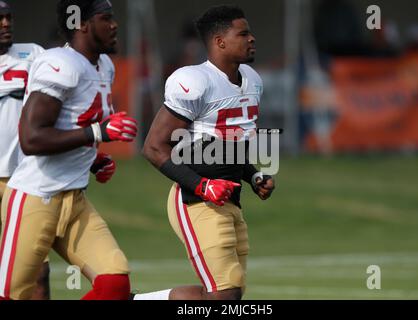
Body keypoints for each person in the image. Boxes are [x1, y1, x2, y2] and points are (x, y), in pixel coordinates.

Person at [0, 0, 138, 300]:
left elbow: (75, 124)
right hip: (36, 197)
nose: (114, 25)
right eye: (106, 18)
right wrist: (99, 132)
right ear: (83, 25)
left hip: (74, 197)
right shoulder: (60, 64)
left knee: (114, 283)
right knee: (12, 294)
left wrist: (93, 156)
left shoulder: (105, 66)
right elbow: (32, 139)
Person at [138, 5, 275, 300]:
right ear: (219, 41)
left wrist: (254, 175)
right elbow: (153, 147)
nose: (252, 38)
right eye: (243, 33)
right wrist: (203, 185)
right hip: (195, 200)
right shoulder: (195, 81)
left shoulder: (252, 79)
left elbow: (231, 146)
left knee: (223, 294)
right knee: (227, 293)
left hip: (230, 198)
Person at [0, 1, 50, 300]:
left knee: (37, 272)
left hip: (25, 179)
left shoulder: (33, 54)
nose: (6, 24)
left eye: (8, 18)